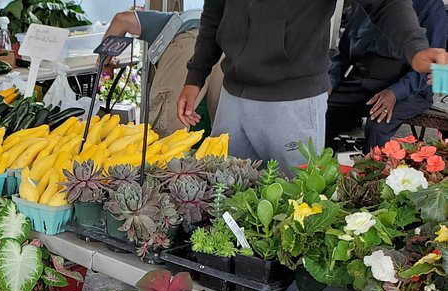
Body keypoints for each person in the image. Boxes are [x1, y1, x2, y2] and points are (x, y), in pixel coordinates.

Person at [177, 0, 448, 170]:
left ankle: (372, 169)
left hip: (292, 100)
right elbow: (214, 11)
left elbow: (386, 4)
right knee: (222, 198)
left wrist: (414, 49)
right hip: (233, 95)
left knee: (292, 210)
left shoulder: (433, 9)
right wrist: (195, 76)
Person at [326, 0, 448, 153]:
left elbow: (429, 67)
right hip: (361, 81)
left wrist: (395, 92)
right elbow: (342, 56)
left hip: (409, 88)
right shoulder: (370, 4)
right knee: (322, 107)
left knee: (378, 125)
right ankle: (321, 167)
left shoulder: (431, 7)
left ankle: (370, 174)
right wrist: (329, 81)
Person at [104, 8, 223, 137]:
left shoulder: (170, 21)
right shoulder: (222, 15)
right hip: (227, 49)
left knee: (163, 139)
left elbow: (122, 19)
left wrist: (105, 64)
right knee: (227, 139)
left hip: (190, 42)